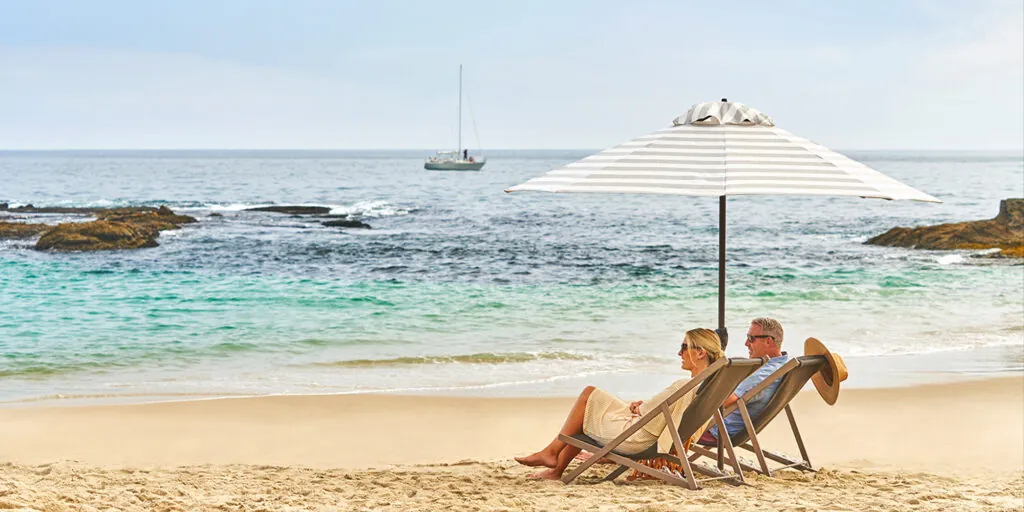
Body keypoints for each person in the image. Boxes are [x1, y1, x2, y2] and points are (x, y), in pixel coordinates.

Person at [514, 328, 725, 480]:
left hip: (637, 439)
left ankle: (552, 456)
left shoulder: (683, 385)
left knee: (589, 396)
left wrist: (637, 408)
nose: (679, 353)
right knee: (592, 407)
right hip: (649, 431)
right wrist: (642, 408)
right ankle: (554, 465)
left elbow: (646, 410)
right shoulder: (706, 387)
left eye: (684, 347)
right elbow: (658, 409)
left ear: (700, 353)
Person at [702, 317, 789, 443]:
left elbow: (723, 402)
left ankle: (670, 460)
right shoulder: (782, 365)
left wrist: (709, 365)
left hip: (719, 429)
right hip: (737, 429)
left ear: (769, 341)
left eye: (751, 339)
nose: (746, 343)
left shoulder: (764, 374)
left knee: (668, 420)